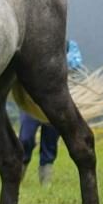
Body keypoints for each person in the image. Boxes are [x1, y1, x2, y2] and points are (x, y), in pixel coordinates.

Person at [19, 40, 84, 185]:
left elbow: (76, 63)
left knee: (49, 143)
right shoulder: (31, 41)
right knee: (25, 138)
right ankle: (17, 178)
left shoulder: (68, 44)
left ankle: (45, 183)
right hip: (31, 100)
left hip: (55, 102)